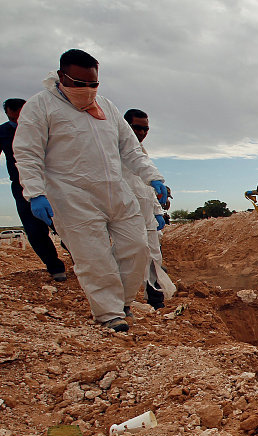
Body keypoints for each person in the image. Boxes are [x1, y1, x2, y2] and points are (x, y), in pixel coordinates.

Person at [14, 49, 167, 332]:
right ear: (62, 77)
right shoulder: (40, 107)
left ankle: (121, 303)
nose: (87, 91)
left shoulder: (106, 107)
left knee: (137, 248)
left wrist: (153, 177)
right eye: (80, 84)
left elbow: (129, 149)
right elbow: (27, 153)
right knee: (94, 257)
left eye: (93, 84)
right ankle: (110, 313)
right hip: (72, 196)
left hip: (115, 192)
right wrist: (35, 193)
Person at [0, 98, 67, 280]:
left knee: (67, 224)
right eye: (13, 118)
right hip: (21, 187)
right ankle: (55, 268)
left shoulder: (44, 127)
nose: (18, 121)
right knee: (34, 230)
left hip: (51, 183)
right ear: (7, 114)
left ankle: (79, 256)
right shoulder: (3, 132)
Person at [122, 108, 170, 309]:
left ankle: (155, 299)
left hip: (146, 213)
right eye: (137, 128)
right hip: (125, 213)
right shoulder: (113, 150)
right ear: (125, 126)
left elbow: (147, 187)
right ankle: (123, 301)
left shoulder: (141, 153)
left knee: (153, 257)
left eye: (145, 129)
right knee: (131, 255)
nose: (142, 133)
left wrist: (158, 211)